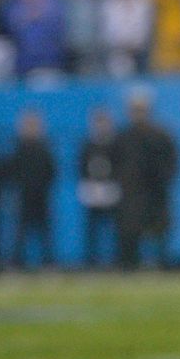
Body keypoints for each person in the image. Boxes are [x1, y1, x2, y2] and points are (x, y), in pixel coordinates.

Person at [117, 90, 179, 271]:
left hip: (156, 192)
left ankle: (162, 266)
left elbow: (172, 161)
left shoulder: (161, 135)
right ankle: (129, 267)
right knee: (130, 232)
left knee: (160, 232)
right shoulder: (123, 137)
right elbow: (116, 163)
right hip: (132, 194)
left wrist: (164, 180)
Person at [7, 109, 57, 270]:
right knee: (20, 232)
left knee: (45, 231)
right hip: (24, 195)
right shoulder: (18, 148)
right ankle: (16, 262)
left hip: (41, 195)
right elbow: (13, 172)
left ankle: (48, 261)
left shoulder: (45, 148)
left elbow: (51, 170)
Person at [76, 107, 123, 269]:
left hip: (111, 190)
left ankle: (117, 260)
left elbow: (120, 166)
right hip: (93, 190)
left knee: (114, 228)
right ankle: (91, 261)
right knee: (92, 229)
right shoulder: (88, 144)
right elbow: (80, 167)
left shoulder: (116, 144)